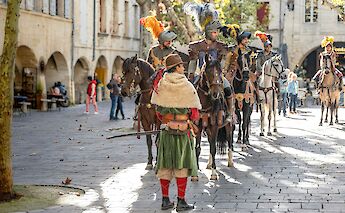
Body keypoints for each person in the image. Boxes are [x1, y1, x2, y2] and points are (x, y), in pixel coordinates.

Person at [151, 54, 201, 211]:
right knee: (182, 166)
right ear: (176, 68)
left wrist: (168, 118)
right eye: (181, 65)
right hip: (182, 132)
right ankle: (181, 202)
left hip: (166, 132)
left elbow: (158, 112)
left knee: (165, 166)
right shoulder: (186, 85)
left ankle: (165, 201)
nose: (183, 68)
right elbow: (194, 113)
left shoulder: (161, 84)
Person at [184, 2, 233, 121]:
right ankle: (188, 113)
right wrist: (190, 76)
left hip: (216, 74)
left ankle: (230, 112)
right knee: (189, 90)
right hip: (200, 74)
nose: (216, 34)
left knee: (227, 87)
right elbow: (193, 62)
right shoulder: (196, 46)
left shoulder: (221, 46)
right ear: (208, 32)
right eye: (214, 32)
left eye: (217, 32)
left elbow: (222, 62)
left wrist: (221, 73)